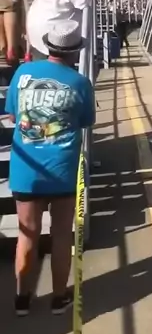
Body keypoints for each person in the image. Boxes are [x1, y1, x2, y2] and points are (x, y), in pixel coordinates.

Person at [5, 19, 95, 315]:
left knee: (27, 234)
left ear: (48, 46)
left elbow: (12, 116)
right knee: (61, 235)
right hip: (62, 169)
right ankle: (58, 297)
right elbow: (85, 122)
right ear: (74, 51)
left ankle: (22, 298)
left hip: (26, 169)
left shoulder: (23, 73)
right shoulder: (80, 83)